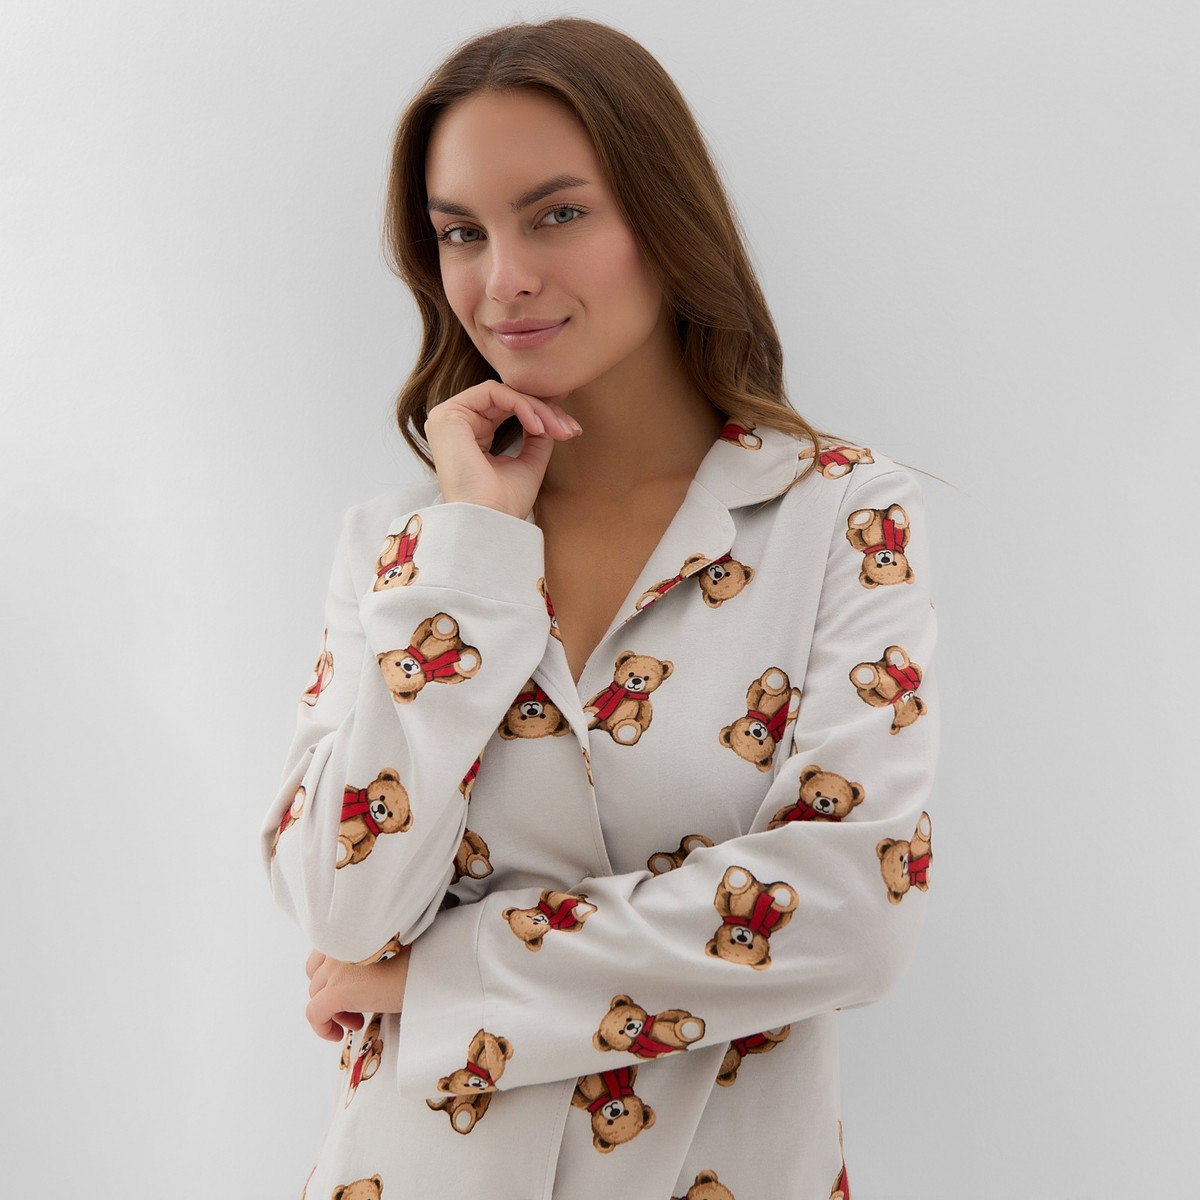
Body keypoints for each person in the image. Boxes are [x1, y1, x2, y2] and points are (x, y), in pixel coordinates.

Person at [262, 16, 938, 1200]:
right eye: (461, 233)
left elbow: (854, 909)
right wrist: (474, 554)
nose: (502, 280)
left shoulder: (840, 514)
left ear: (666, 220)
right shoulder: (402, 549)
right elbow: (340, 904)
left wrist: (441, 977)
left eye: (557, 214)